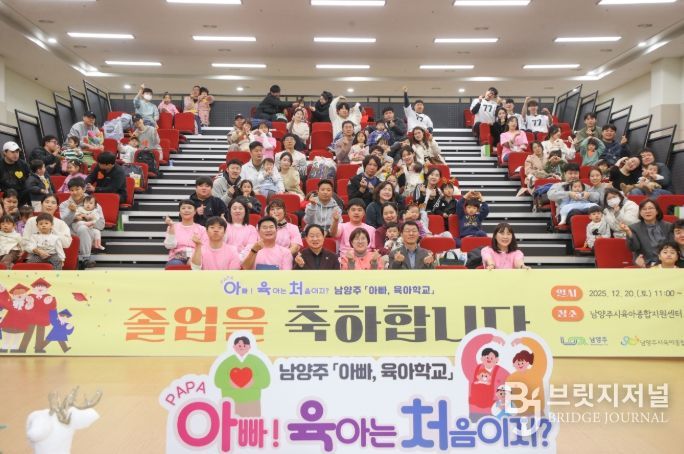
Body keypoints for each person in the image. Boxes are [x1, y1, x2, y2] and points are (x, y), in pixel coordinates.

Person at [213, 336, 271, 417]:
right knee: (231, 422)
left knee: (251, 422)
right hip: (231, 401)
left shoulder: (256, 361)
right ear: (234, 347)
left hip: (252, 401)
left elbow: (266, 380)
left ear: (249, 347)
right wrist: (230, 382)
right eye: (239, 345)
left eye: (244, 345)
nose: (242, 347)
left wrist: (253, 382)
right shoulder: (227, 362)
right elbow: (218, 380)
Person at [460, 333, 509, 421]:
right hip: (475, 412)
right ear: (482, 358)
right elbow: (469, 351)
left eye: (492, 357)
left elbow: (512, 388)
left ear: (497, 360)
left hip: (495, 412)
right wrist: (490, 338)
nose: (489, 359)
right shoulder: (473, 369)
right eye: (486, 357)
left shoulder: (503, 373)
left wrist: (506, 403)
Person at [620, 199, 674, 267]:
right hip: (645, 264)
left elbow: (673, 246)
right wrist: (629, 233)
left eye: (650, 208)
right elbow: (633, 248)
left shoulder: (668, 226)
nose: (647, 211)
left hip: (666, 263)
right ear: (640, 213)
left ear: (657, 211)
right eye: (644, 209)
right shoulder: (634, 228)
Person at [505, 336, 548, 416]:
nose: (520, 364)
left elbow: (539, 353)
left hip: (537, 410)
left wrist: (523, 340)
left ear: (528, 363)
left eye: (522, 362)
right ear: (514, 364)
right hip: (520, 412)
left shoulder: (536, 372)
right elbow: (507, 395)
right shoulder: (511, 378)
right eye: (517, 363)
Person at [163, 200, 208, 266]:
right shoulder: (173, 227)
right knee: (175, 264)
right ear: (180, 212)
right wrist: (171, 227)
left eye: (189, 208)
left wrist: (192, 257)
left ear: (195, 212)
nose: (186, 210)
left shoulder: (202, 229)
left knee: (198, 264)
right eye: (183, 208)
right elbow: (169, 246)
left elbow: (205, 248)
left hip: (196, 256)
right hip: (178, 257)